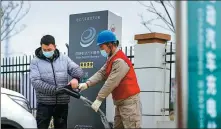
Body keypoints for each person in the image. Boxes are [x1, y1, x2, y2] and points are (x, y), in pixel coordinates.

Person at [78, 30, 142, 129]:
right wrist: (87, 84)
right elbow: (102, 73)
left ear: (110, 44)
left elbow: (111, 82)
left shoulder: (119, 61)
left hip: (129, 103)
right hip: (120, 103)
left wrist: (99, 99)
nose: (101, 50)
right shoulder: (111, 58)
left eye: (102, 47)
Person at [30, 35, 83, 129]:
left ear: (55, 46)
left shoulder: (64, 59)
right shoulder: (35, 62)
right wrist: (55, 90)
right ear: (41, 47)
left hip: (62, 103)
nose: (46, 52)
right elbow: (35, 81)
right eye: (44, 49)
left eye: (49, 49)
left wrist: (76, 78)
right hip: (44, 104)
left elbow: (77, 70)